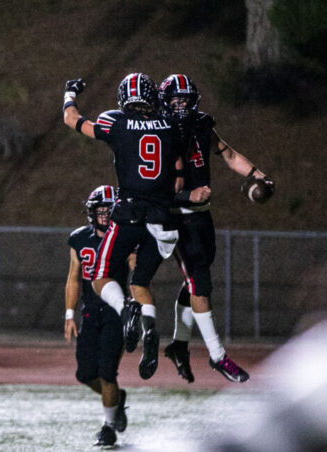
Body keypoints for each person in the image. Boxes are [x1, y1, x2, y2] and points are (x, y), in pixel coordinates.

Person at [63, 73, 185, 381]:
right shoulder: (171, 125)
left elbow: (72, 120)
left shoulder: (115, 121)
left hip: (130, 214)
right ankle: (149, 328)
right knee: (140, 283)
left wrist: (70, 94)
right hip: (163, 220)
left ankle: (125, 311)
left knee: (100, 276)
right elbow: (179, 175)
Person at [158, 73, 274, 383]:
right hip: (177, 216)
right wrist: (187, 196)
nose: (181, 106)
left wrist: (258, 175)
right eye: (175, 101)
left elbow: (229, 154)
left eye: (185, 100)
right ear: (165, 103)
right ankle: (218, 356)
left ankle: (179, 345)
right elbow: (154, 187)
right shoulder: (158, 131)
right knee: (199, 283)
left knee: (195, 281)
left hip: (201, 215)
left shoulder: (201, 124)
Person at [64, 185, 130, 447]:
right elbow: (73, 278)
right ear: (92, 212)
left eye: (109, 210)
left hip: (115, 312)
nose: (104, 215)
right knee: (85, 374)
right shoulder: (80, 238)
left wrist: (138, 308)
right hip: (90, 312)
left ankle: (108, 426)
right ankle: (117, 399)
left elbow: (137, 272)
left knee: (107, 372)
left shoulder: (125, 238)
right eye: (100, 210)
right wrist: (69, 313)